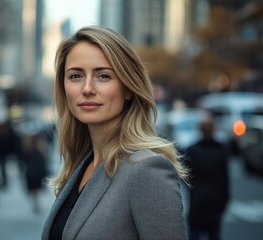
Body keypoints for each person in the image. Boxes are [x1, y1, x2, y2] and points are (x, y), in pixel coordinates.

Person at [42, 25, 188, 240]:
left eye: (103, 76)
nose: (87, 88)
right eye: (75, 76)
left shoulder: (146, 170)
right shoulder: (81, 165)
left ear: (128, 88)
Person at [186, 116, 229, 240]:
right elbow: (225, 179)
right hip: (215, 200)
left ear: (200, 130)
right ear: (214, 130)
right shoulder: (221, 150)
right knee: (214, 234)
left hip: (197, 199)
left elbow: (187, 177)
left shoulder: (192, 150)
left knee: (194, 233)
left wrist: (193, 190)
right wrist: (224, 201)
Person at [21, 133, 48, 214]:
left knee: (35, 190)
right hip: (32, 172)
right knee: (34, 190)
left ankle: (36, 204)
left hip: (34, 172)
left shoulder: (35, 150)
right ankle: (36, 204)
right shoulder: (30, 150)